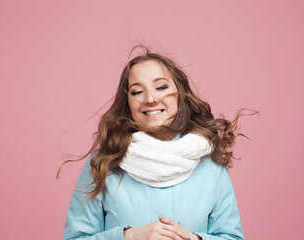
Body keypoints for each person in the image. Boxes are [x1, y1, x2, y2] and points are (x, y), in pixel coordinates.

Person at [58, 45, 249, 240]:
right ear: (127, 103)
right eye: (137, 91)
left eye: (161, 87)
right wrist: (128, 237)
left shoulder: (209, 164)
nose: (150, 99)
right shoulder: (102, 163)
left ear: (179, 94)